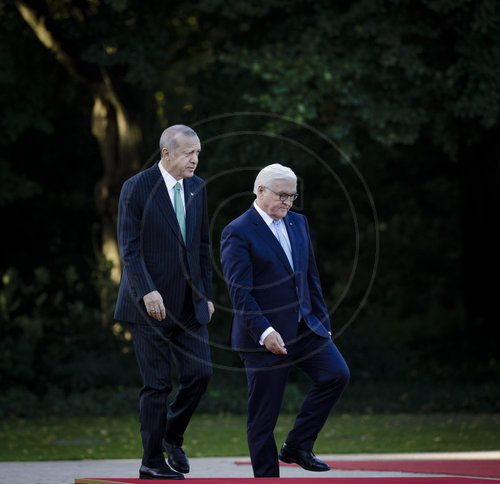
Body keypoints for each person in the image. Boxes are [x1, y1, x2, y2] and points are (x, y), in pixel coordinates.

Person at [220, 163, 350, 478]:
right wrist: (264, 332)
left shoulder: (298, 223)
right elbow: (240, 293)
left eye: (292, 197)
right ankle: (267, 478)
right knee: (264, 417)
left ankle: (298, 445)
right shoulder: (237, 231)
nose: (287, 203)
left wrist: (322, 320)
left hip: (305, 326)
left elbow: (310, 276)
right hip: (262, 334)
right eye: (282, 195)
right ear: (260, 190)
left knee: (336, 374)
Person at [114, 124, 214, 480]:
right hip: (148, 305)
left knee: (201, 373)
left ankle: (171, 435)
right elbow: (128, 247)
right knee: (157, 385)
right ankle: (151, 462)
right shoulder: (136, 187)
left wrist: (206, 294)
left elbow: (202, 248)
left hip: (189, 305)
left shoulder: (198, 188)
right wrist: (146, 289)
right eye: (190, 153)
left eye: (198, 153)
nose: (196, 159)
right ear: (167, 153)